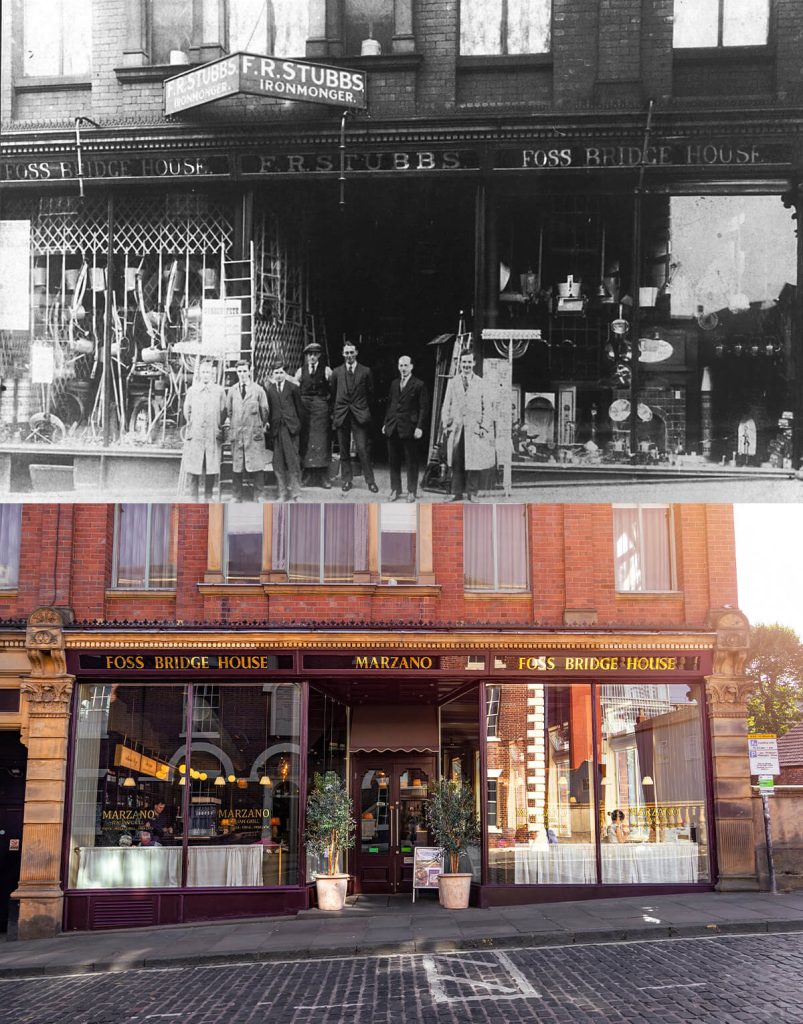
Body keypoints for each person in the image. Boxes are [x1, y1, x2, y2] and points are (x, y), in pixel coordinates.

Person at [440, 350, 496, 501]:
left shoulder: (481, 383)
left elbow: (487, 407)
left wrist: (484, 427)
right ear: (460, 364)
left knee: (474, 461)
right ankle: (455, 492)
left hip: (474, 428)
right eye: (464, 362)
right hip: (456, 427)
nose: (466, 365)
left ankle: (472, 492)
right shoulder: (453, 382)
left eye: (469, 362)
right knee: (456, 460)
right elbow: (446, 404)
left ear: (474, 363)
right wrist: (445, 424)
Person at [329, 341, 378, 494]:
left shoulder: (366, 371)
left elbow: (371, 394)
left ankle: (370, 481)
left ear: (356, 353)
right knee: (343, 450)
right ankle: (347, 480)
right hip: (342, 414)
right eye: (346, 353)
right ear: (343, 354)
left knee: (362, 449)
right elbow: (333, 393)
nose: (349, 355)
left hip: (359, 414)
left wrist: (362, 409)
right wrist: (335, 412)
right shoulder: (337, 372)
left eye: (352, 352)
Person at [382, 354, 428, 502]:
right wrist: (385, 423)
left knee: (411, 461)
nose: (403, 368)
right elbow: (390, 405)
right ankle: (395, 489)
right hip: (393, 426)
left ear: (412, 367)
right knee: (393, 460)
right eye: (401, 365)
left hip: (410, 427)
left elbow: (423, 408)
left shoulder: (419, 384)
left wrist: (420, 427)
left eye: (406, 365)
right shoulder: (394, 384)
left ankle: (411, 491)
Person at [182, 359, 227, 501]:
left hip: (212, 433)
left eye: (208, 372)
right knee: (194, 466)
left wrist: (217, 427)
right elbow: (186, 411)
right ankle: (193, 497)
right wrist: (192, 424)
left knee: (211, 466)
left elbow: (224, 411)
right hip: (196, 434)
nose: (206, 375)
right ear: (199, 374)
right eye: (203, 372)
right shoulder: (192, 391)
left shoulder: (219, 391)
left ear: (212, 374)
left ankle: (208, 496)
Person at [226, 360, 269, 501]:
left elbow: (265, 411)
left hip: (253, 432)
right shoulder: (232, 390)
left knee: (257, 464)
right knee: (237, 465)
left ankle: (259, 494)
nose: (242, 374)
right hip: (238, 433)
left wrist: (259, 426)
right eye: (239, 371)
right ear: (236, 372)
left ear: (249, 371)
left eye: (245, 371)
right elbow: (229, 411)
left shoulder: (258, 390)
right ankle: (236, 495)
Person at [294, 341, 332, 489]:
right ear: (306, 356)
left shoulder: (327, 371)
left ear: (319, 355)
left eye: (315, 354)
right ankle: (307, 475)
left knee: (321, 441)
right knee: (306, 440)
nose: (312, 357)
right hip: (305, 408)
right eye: (310, 354)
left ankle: (323, 476)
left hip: (321, 408)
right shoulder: (300, 371)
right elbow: (294, 389)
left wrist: (328, 405)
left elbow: (333, 389)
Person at [266, 363, 304, 501]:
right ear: (272, 375)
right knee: (278, 463)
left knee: (293, 461)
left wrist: (297, 426)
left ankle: (296, 493)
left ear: (285, 374)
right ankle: (282, 493)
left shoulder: (293, 388)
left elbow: (300, 409)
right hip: (277, 430)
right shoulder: (270, 390)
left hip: (291, 429)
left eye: (281, 372)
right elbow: (269, 410)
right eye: (276, 373)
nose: (279, 375)